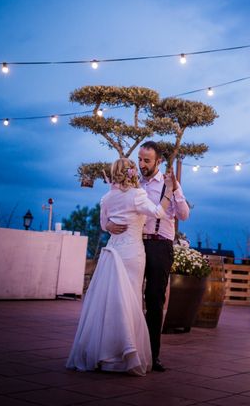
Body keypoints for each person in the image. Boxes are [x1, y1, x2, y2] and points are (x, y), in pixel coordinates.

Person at [66, 158, 173, 376]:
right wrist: (169, 191)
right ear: (132, 174)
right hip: (132, 252)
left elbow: (104, 224)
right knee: (130, 300)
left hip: (112, 251)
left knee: (110, 301)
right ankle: (124, 353)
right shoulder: (137, 195)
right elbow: (159, 212)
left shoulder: (106, 197)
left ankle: (104, 353)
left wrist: (111, 226)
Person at [105, 141, 189, 372]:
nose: (141, 165)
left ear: (158, 161)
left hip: (160, 247)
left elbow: (184, 214)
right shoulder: (131, 183)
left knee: (154, 300)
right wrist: (108, 225)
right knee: (127, 297)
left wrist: (176, 191)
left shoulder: (168, 184)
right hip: (133, 245)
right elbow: (112, 206)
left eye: (147, 161)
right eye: (140, 160)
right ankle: (125, 350)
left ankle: (152, 354)